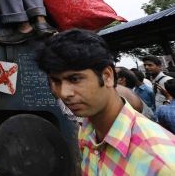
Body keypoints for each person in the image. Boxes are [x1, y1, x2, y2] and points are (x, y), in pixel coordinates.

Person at [35, 29, 175, 175]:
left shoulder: (163, 164)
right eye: (57, 81)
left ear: (107, 76)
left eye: (74, 79)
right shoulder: (86, 130)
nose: (63, 93)